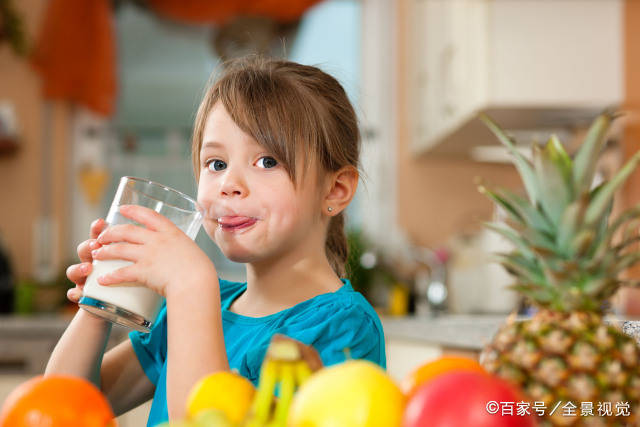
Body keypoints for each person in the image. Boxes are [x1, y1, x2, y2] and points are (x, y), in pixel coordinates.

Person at [45, 56, 386, 426]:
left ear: (335, 190)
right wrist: (99, 305)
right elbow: (61, 409)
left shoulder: (345, 328)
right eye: (216, 164)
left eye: (267, 161)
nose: (228, 184)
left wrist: (191, 286)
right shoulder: (200, 308)